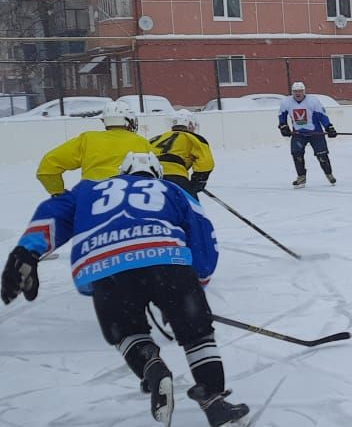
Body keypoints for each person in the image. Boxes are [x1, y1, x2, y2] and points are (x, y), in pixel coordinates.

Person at [1, 152, 250, 427]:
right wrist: (193, 287)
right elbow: (200, 230)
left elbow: (54, 212)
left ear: (122, 171)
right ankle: (215, 402)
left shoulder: (89, 189)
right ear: (156, 173)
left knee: (128, 333)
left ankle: (151, 367)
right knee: (197, 335)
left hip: (105, 266)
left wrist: (27, 252)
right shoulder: (172, 188)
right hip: (166, 259)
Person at [36, 100, 153, 196]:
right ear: (129, 121)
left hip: (91, 196)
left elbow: (47, 168)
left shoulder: (88, 139)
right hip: (129, 196)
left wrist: (58, 194)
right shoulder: (141, 142)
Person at [278, 82, 337, 187]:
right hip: (298, 134)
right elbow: (282, 115)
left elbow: (321, 115)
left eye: (300, 91)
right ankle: (301, 177)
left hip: (316, 133)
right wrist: (283, 126)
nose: (298, 94)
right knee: (297, 155)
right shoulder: (286, 102)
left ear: (304, 91)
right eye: (295, 91)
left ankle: (329, 174)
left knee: (322, 155)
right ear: (292, 92)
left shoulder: (312, 101)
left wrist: (329, 127)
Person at [150, 109, 215, 199]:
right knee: (191, 209)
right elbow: (206, 162)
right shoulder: (193, 138)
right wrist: (198, 180)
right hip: (175, 177)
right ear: (190, 125)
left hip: (152, 178)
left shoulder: (156, 138)